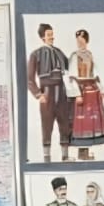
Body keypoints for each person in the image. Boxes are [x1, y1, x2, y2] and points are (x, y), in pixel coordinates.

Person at [27, 24, 73, 162]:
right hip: (47, 93)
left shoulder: (59, 52)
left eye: (52, 34)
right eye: (48, 35)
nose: (52, 37)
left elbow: (70, 67)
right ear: (42, 37)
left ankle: (65, 156)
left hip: (62, 92)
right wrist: (38, 94)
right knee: (47, 125)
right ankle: (46, 158)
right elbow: (29, 78)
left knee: (65, 124)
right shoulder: (36, 54)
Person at [68, 29, 104, 160]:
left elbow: (96, 75)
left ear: (86, 41)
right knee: (82, 122)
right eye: (78, 41)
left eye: (82, 41)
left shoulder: (90, 55)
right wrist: (77, 94)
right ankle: (81, 152)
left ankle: (86, 153)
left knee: (92, 122)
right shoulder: (74, 56)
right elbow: (71, 77)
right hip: (82, 91)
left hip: (92, 91)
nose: (80, 43)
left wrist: (102, 90)